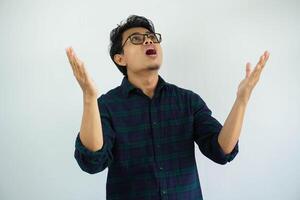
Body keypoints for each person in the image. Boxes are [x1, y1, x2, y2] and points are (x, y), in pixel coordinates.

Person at [65, 15, 270, 200]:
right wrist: (89, 98)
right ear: (120, 58)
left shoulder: (187, 101)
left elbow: (222, 150)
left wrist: (242, 100)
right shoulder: (107, 106)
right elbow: (92, 162)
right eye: (136, 39)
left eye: (152, 37)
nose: (148, 40)